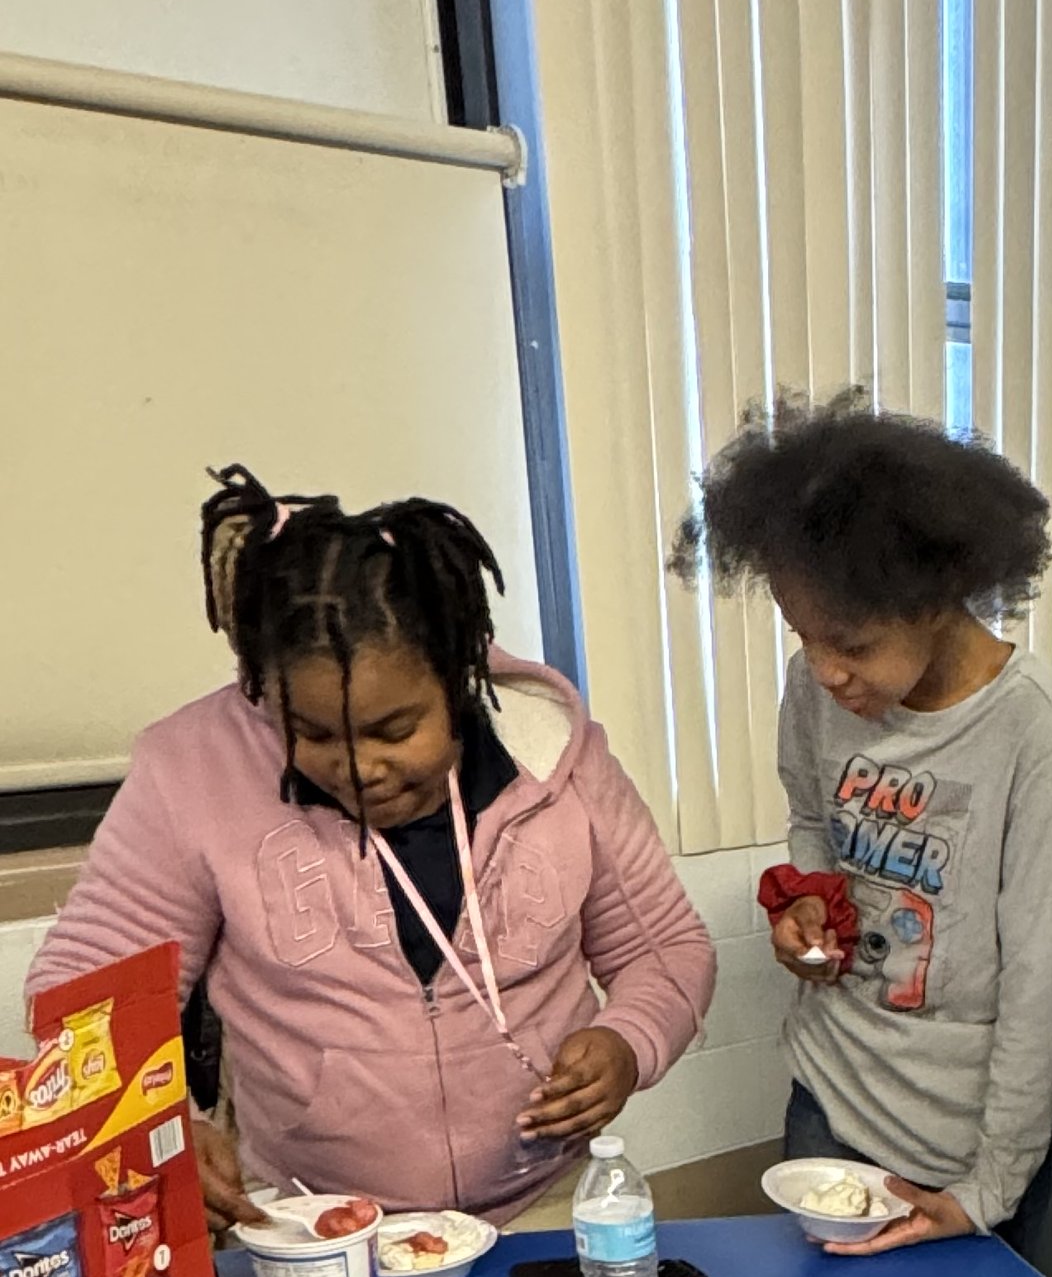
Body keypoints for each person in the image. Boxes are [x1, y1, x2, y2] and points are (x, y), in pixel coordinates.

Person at [32, 470, 714, 1229]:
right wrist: (155, 1127)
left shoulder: (559, 761)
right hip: (305, 1224)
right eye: (315, 734)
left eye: (394, 730)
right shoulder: (193, 773)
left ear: (458, 679)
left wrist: (627, 1042)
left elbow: (667, 952)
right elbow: (83, 997)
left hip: (542, 1203)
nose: (359, 769)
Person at [679, 391, 1052, 1252]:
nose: (826, 671)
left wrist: (989, 1188)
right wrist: (807, 906)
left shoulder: (1036, 737)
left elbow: (1039, 985)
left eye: (855, 645)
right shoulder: (815, 689)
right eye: (804, 637)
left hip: (961, 1149)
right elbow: (812, 822)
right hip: (826, 1098)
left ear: (941, 598)